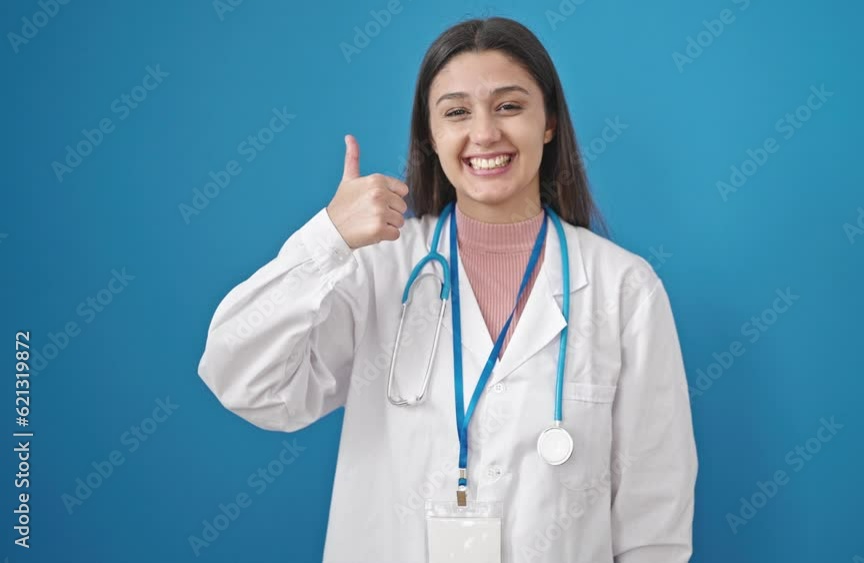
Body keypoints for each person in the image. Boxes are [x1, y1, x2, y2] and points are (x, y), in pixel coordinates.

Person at [198, 16, 697, 563]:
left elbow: (655, 515)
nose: (484, 133)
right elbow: (245, 382)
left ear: (549, 122)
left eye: (509, 106)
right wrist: (327, 240)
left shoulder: (623, 288)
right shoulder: (378, 270)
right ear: (431, 137)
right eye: (457, 112)